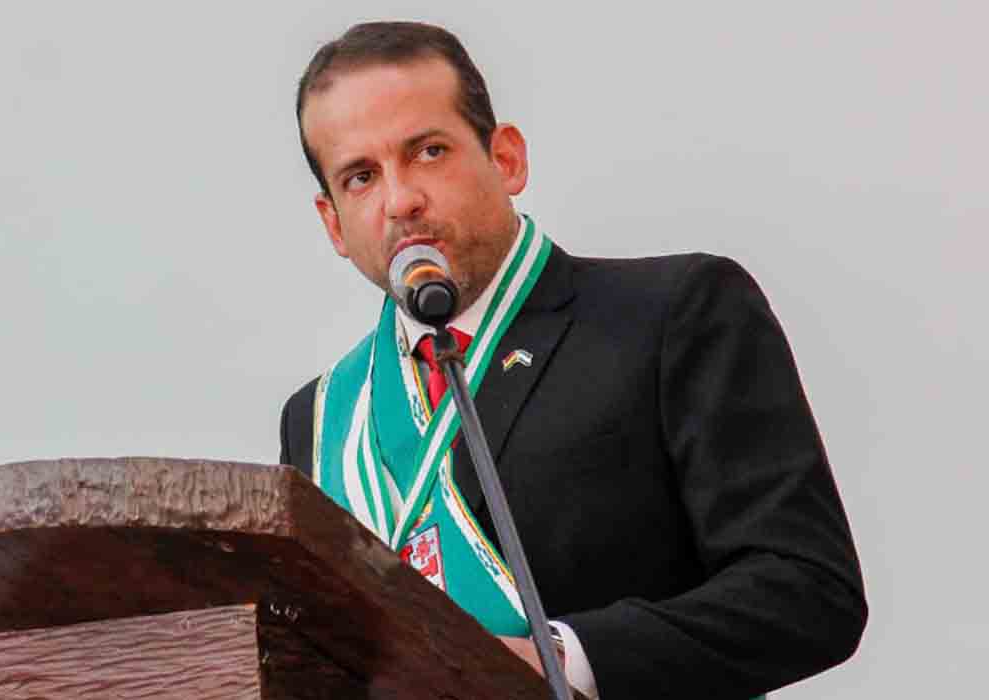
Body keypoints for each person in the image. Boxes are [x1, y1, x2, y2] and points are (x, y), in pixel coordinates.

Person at [279, 21, 866, 699]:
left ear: (506, 159)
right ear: (333, 223)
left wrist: (565, 660)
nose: (400, 199)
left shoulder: (674, 313)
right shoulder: (319, 419)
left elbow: (808, 590)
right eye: (361, 177)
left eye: (429, 151)